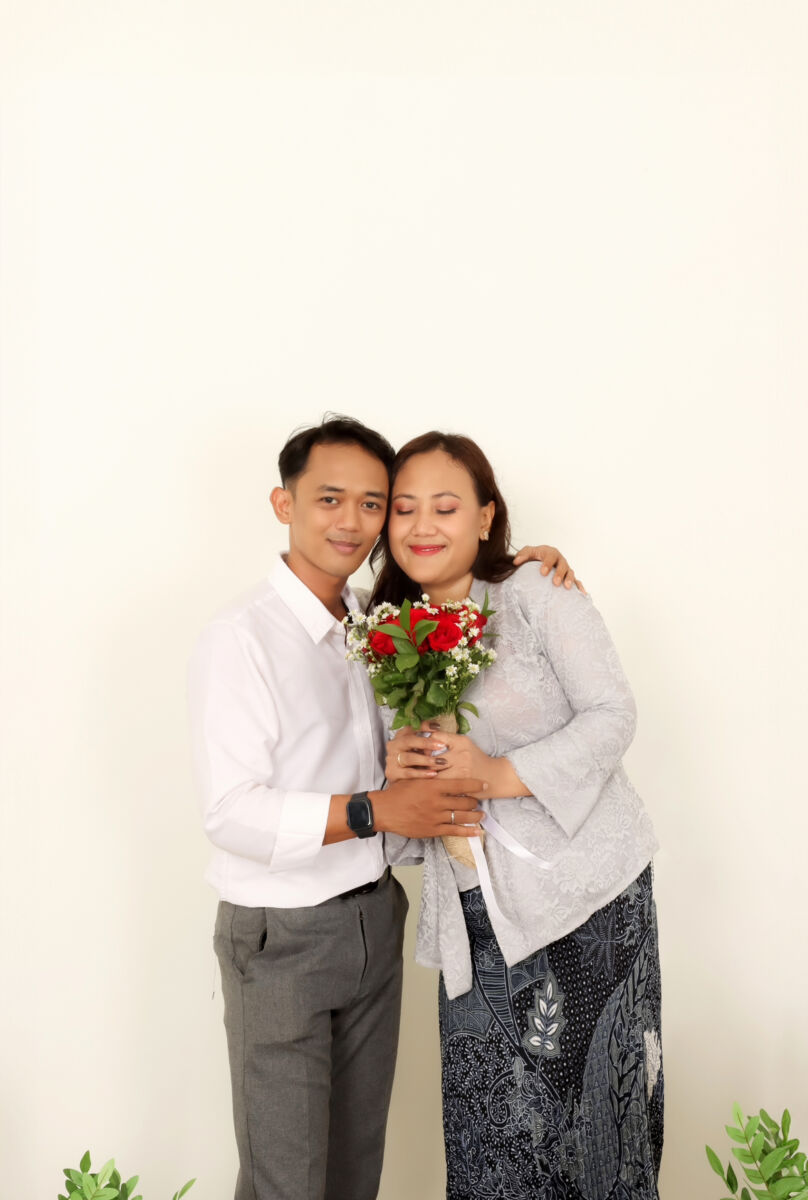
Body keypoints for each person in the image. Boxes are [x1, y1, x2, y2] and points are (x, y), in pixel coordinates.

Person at [187, 416, 581, 1200]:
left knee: (352, 1174)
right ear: (284, 503)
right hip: (281, 936)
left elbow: (468, 606)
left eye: (373, 503)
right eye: (329, 498)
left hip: (373, 916)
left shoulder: (376, 620)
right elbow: (230, 812)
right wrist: (378, 809)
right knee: (286, 1183)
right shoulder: (240, 637)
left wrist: (520, 570)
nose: (353, 521)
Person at [374, 432, 663, 1200]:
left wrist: (497, 774)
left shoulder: (533, 591)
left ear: (485, 517)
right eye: (404, 508)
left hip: (586, 898)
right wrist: (400, 777)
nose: (422, 525)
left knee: (598, 1134)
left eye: (445, 507)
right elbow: (402, 823)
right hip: (474, 918)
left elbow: (613, 714)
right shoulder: (385, 636)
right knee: (492, 1143)